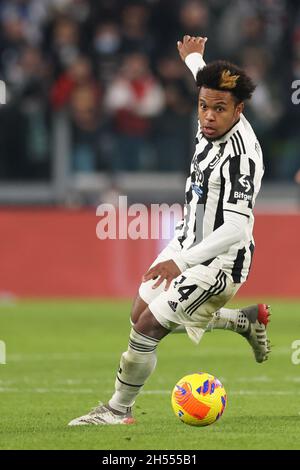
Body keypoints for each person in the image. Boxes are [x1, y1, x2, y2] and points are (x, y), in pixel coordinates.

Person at [69, 35, 271, 426]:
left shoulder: (239, 158)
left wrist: (181, 261)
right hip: (187, 240)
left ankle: (117, 410)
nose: (208, 116)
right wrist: (195, 58)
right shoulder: (213, 110)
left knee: (146, 329)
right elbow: (206, 82)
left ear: (239, 110)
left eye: (219, 109)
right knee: (138, 312)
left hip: (220, 261)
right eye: (203, 106)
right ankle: (242, 321)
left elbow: (235, 226)